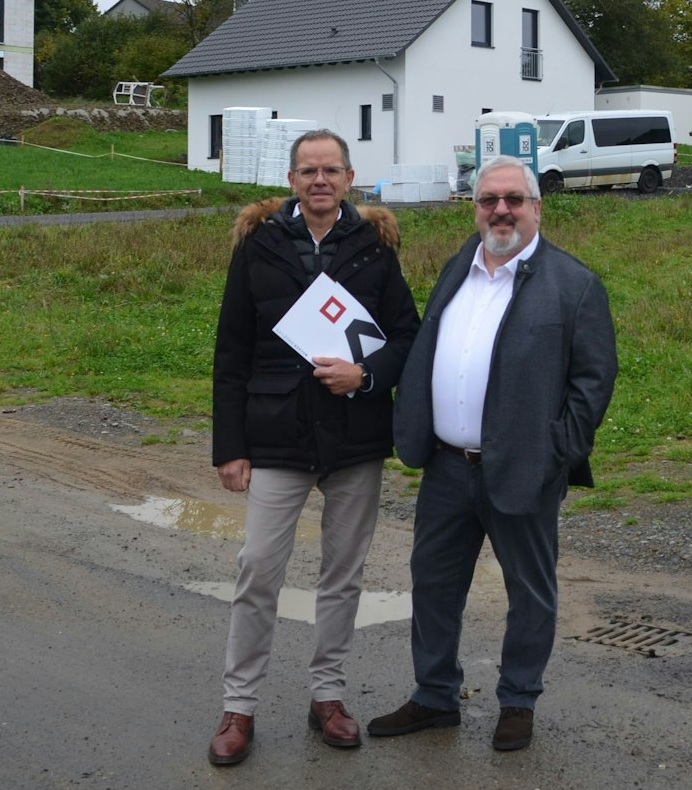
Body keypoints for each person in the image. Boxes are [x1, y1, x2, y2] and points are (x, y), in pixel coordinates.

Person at [367, 156, 617, 752]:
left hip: (525, 468)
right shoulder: (460, 268)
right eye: (488, 200)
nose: (500, 210)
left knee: (529, 591)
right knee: (432, 584)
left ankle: (518, 700)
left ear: (537, 208)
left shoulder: (573, 284)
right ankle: (434, 696)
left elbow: (593, 380)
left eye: (513, 199)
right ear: (474, 207)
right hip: (449, 466)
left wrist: (559, 449)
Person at [206, 130, 420, 766]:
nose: (320, 180)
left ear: (350, 178)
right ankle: (238, 707)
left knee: (342, 577)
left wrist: (368, 376)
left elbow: (407, 336)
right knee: (257, 571)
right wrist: (230, 448)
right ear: (292, 180)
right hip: (274, 437)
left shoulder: (375, 247)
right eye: (308, 170)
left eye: (331, 170)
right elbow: (231, 352)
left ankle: (327, 696)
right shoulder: (259, 245)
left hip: (354, 438)